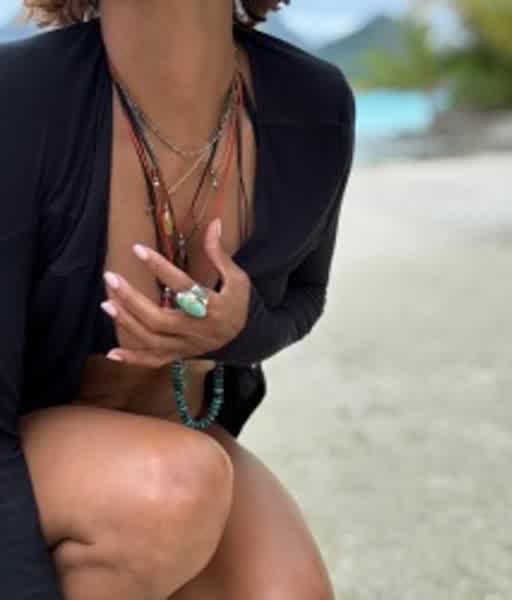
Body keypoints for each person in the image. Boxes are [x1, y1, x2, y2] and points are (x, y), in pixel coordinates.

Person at [0, 0, 355, 597]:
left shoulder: (313, 101)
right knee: (171, 491)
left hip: (181, 438)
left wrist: (237, 331)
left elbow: (305, 294)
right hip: (23, 452)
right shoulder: (18, 96)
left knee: (287, 589)